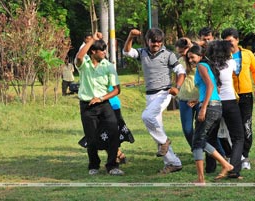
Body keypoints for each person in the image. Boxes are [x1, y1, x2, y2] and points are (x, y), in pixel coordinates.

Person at [123, 28, 186, 174]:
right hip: (150, 95)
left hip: (164, 93)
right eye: (153, 42)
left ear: (162, 42)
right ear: (148, 41)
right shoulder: (142, 53)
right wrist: (130, 36)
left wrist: (177, 87)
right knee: (157, 128)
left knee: (147, 117)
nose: (156, 44)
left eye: (159, 42)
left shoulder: (168, 55)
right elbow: (126, 52)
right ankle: (173, 163)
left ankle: (164, 142)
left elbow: (181, 72)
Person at [75, 32, 124, 176]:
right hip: (87, 106)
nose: (104, 52)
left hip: (104, 104)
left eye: (105, 50)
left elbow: (117, 90)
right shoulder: (84, 65)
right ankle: (93, 165)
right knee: (91, 138)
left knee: (114, 133)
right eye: (101, 50)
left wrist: (101, 98)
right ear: (93, 52)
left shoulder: (108, 66)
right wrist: (92, 40)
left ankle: (112, 166)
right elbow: (79, 56)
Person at [185, 44, 234, 183]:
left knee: (197, 143)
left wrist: (203, 107)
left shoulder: (201, 66)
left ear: (200, 56)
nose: (190, 60)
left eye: (192, 57)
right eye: (188, 58)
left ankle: (202, 178)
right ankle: (225, 164)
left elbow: (210, 86)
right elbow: (215, 91)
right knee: (200, 140)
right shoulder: (208, 67)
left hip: (210, 107)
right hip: (216, 106)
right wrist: (198, 100)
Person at [221, 28, 255, 170]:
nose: (229, 45)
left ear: (237, 40)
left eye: (231, 41)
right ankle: (233, 155)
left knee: (246, 126)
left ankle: (245, 155)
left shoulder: (247, 54)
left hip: (245, 95)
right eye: (225, 42)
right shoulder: (222, 56)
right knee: (230, 128)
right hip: (229, 96)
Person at [205, 40, 245, 179]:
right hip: (230, 103)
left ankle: (211, 167)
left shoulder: (208, 65)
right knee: (238, 137)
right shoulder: (231, 63)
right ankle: (233, 169)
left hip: (213, 103)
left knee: (210, 136)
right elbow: (237, 67)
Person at [174, 38, 199, 148]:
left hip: (199, 97)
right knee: (187, 129)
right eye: (179, 52)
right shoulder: (180, 62)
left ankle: (204, 150)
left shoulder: (197, 59)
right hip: (184, 98)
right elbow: (176, 78)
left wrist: (190, 44)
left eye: (182, 52)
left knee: (201, 128)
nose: (181, 54)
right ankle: (195, 149)